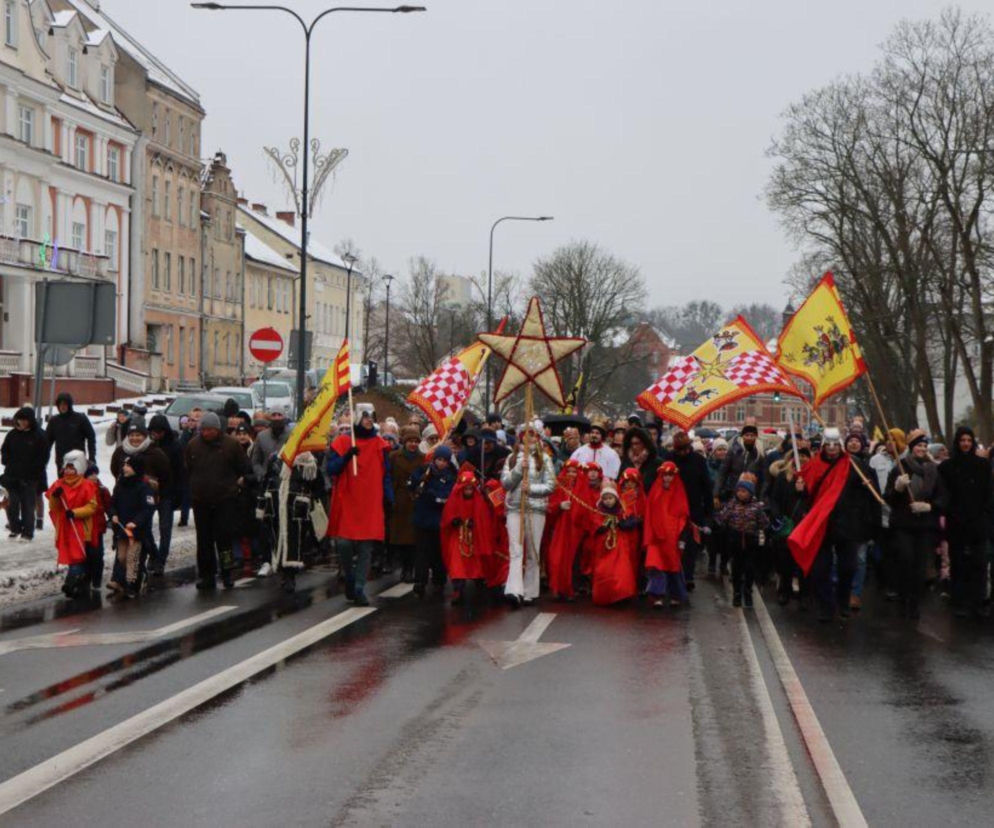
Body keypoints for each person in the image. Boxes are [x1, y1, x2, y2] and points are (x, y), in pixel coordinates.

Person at [789, 427, 880, 622]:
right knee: (820, 569)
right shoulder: (813, 465)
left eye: (835, 445)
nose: (832, 449)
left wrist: (866, 488)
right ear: (823, 445)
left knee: (848, 567)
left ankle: (843, 601)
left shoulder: (855, 465)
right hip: (822, 525)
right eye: (828, 445)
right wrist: (799, 489)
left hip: (847, 525)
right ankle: (826, 606)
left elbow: (868, 492)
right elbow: (806, 497)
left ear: (840, 445)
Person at [325, 408, 394, 606]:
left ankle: (359, 587)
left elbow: (386, 473)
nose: (368, 420)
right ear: (358, 419)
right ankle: (349, 575)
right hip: (348, 498)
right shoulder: (344, 441)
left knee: (366, 547)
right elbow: (332, 468)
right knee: (344, 544)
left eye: (371, 417)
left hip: (370, 500)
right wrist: (347, 456)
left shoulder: (380, 444)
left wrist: (389, 497)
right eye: (365, 417)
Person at [184, 411, 251, 590]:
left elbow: (243, 467)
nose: (207, 433)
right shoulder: (193, 446)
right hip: (201, 501)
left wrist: (237, 484)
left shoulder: (231, 445)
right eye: (204, 430)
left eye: (210, 430)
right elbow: (188, 469)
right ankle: (207, 575)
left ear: (217, 429)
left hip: (225, 500)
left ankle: (227, 572)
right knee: (204, 540)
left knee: (224, 539)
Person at [886, 430, 948, 620]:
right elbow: (888, 497)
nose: (921, 449)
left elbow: (942, 498)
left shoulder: (933, 470)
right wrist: (897, 488)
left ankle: (914, 602)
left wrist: (929, 506)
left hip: (924, 527)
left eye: (924, 446)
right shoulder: (900, 468)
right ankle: (903, 599)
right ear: (911, 448)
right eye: (918, 446)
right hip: (903, 525)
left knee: (919, 566)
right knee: (906, 561)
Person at [501, 422, 557, 607]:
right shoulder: (512, 457)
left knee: (533, 551)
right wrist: (518, 469)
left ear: (538, 437)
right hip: (515, 508)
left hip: (536, 509)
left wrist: (531, 488)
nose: (530, 437)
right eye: (526, 434)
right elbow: (506, 484)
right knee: (516, 550)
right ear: (520, 436)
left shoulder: (545, 459)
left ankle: (530, 591)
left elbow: (550, 486)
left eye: (533, 434)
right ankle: (514, 590)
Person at [939, 426, 991, 618]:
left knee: (979, 563)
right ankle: (959, 600)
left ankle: (977, 601)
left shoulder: (983, 465)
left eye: (969, 440)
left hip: (978, 522)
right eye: (962, 440)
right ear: (957, 442)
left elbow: (988, 492)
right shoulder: (947, 467)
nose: (966, 444)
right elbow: (944, 494)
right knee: (958, 563)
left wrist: (984, 514)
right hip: (957, 522)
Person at [46, 450, 100, 599]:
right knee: (72, 555)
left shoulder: (87, 485)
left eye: (72, 467)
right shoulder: (58, 484)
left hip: (81, 528)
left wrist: (75, 513)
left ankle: (71, 582)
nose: (69, 471)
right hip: (65, 528)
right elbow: (54, 507)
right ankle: (76, 581)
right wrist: (55, 497)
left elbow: (92, 507)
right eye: (67, 467)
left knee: (79, 556)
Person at [666, 430, 713, 591]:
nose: (684, 452)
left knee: (691, 545)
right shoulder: (669, 459)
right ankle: (673, 574)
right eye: (680, 449)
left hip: (693, 509)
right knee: (674, 543)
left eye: (686, 448)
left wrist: (708, 513)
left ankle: (688, 576)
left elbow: (707, 488)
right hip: (673, 508)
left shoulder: (698, 460)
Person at [715, 475, 770, 608]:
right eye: (739, 491)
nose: (741, 494)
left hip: (751, 541)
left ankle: (748, 592)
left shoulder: (757, 507)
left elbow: (764, 523)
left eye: (744, 491)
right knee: (737, 568)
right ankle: (737, 593)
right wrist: (719, 519)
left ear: (750, 492)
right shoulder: (732, 504)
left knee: (750, 568)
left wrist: (761, 530)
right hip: (735, 540)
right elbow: (722, 518)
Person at [409, 444, 457, 597]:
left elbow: (447, 495)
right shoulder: (424, 470)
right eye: (439, 459)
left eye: (444, 460)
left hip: (439, 520)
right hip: (423, 518)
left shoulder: (450, 475)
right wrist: (419, 482)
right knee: (422, 552)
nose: (441, 463)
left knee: (438, 552)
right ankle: (420, 581)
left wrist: (433, 495)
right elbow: (412, 484)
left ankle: (439, 580)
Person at [441, 469, 494, 605]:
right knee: (457, 564)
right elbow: (447, 516)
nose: (469, 491)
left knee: (476, 563)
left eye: (471, 488)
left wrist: (474, 522)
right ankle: (458, 588)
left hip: (473, 538)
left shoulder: (479, 500)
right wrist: (453, 521)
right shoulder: (454, 498)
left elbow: (483, 519)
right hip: (457, 537)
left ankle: (479, 584)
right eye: (466, 488)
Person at [767, 448, 811, 605]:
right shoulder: (782, 477)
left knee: (802, 561)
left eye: (805, 456)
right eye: (799, 456)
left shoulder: (811, 477)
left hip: (804, 525)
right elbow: (774, 499)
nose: (802, 459)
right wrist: (777, 516)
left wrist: (803, 491)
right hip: (786, 524)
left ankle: (804, 593)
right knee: (785, 559)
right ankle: (784, 590)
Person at [108, 454, 157, 597]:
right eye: (124, 465)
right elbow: (112, 503)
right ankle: (133, 576)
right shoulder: (120, 485)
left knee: (132, 558)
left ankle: (133, 584)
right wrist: (113, 514)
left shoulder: (144, 488)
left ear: (136, 468)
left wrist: (136, 522)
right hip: (122, 529)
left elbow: (148, 509)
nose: (125, 468)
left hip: (137, 531)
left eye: (128, 465)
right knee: (122, 557)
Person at [644, 461, 690, 608]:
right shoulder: (655, 491)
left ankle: (675, 595)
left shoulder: (679, 492)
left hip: (672, 536)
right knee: (656, 566)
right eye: (665, 475)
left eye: (670, 475)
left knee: (673, 566)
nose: (668, 478)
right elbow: (649, 513)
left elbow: (683, 516)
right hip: (656, 536)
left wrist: (682, 538)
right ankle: (657, 595)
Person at [586, 480, 639, 606]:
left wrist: (621, 523)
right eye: (605, 499)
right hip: (604, 548)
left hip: (619, 545)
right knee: (604, 570)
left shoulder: (622, 511)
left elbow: (632, 522)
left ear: (615, 498)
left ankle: (622, 594)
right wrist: (604, 525)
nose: (608, 501)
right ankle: (605, 595)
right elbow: (595, 526)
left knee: (621, 569)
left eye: (610, 498)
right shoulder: (599, 511)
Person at [1, 407, 48, 541]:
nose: (21, 422)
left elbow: (43, 457)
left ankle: (27, 532)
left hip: (30, 477)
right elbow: (4, 450)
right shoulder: (12, 434)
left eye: (24, 420)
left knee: (28, 505)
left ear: (30, 421)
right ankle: (15, 528)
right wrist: (6, 460)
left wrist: (34, 472)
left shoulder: (39, 435)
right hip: (12, 475)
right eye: (19, 420)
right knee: (12, 504)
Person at [148, 414, 184, 575]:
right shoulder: (148, 446)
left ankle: (160, 560)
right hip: (149, 493)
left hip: (167, 494)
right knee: (145, 527)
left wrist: (177, 496)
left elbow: (180, 473)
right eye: (154, 431)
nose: (157, 434)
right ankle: (152, 555)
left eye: (159, 431)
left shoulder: (175, 447)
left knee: (165, 528)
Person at [388, 426, 424, 582]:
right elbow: (388, 477)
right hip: (400, 499)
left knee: (414, 539)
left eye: (416, 441)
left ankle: (411, 569)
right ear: (404, 442)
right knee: (401, 538)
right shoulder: (394, 457)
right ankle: (404, 567)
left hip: (417, 499)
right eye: (410, 441)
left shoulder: (424, 458)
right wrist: (391, 497)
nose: (413, 444)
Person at [546, 459, 584, 600]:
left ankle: (570, 589)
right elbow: (550, 506)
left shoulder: (583, 487)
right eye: (569, 471)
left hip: (576, 530)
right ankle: (558, 587)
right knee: (557, 557)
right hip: (560, 529)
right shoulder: (559, 487)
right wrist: (559, 506)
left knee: (573, 560)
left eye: (574, 471)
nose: (571, 474)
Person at [714, 423, 765, 504]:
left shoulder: (760, 455)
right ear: (742, 436)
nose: (749, 438)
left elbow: (763, 479)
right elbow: (722, 473)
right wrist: (716, 494)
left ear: (756, 437)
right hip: (734, 493)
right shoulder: (734, 451)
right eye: (747, 435)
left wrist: (761, 499)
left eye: (752, 435)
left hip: (753, 496)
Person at [45, 392, 96, 471]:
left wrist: (92, 457)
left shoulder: (80, 419)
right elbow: (47, 443)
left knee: (79, 483)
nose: (63, 407)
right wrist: (43, 460)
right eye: (60, 404)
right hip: (61, 461)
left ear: (69, 405)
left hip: (78, 460)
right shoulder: (54, 421)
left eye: (65, 404)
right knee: (62, 483)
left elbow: (91, 436)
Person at [249, 411, 290, 482]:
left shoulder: (292, 435)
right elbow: (255, 461)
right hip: (267, 481)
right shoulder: (261, 436)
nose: (277, 418)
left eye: (279, 414)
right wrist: (262, 475)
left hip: (287, 480)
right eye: (274, 415)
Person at [619, 426, 660, 492]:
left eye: (637, 443)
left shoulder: (656, 462)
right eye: (632, 444)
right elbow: (620, 482)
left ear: (645, 443)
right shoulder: (626, 461)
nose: (634, 447)